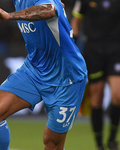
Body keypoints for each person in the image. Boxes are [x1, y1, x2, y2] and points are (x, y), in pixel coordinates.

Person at [0, 0, 87, 150]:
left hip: (67, 76)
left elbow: (50, 9)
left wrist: (10, 16)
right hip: (34, 69)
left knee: (52, 142)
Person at [71, 0, 120, 150]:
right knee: (96, 99)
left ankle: (112, 138)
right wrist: (72, 46)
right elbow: (76, 20)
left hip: (116, 49)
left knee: (118, 96)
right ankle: (99, 144)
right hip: (93, 50)